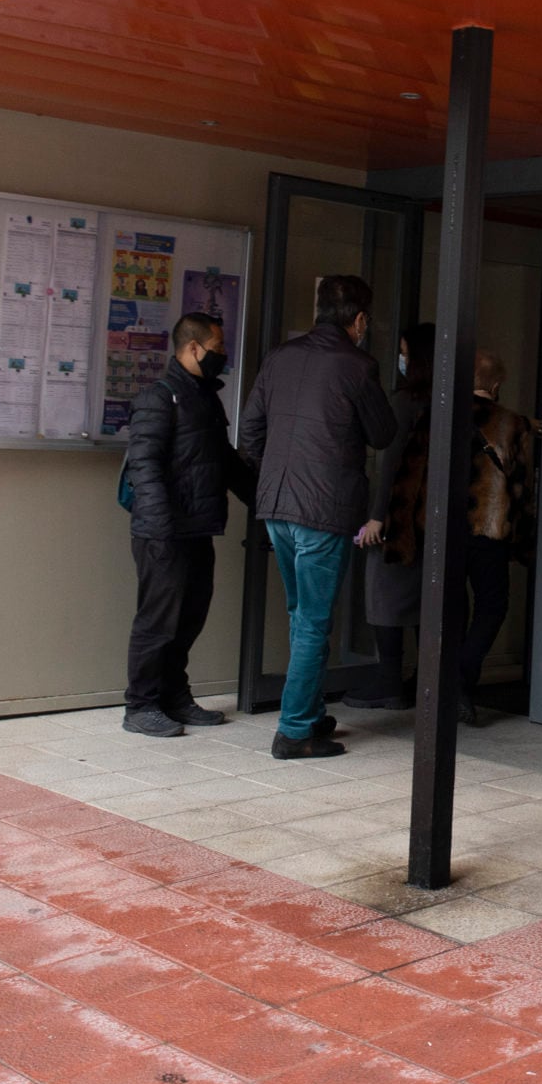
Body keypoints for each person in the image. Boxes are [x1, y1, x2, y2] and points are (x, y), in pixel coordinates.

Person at [239, 274, 397, 759]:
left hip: (276, 507)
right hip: (323, 510)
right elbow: (384, 433)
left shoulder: (280, 357)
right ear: (360, 319)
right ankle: (293, 731)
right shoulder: (358, 365)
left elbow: (250, 433)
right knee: (312, 621)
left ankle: (305, 710)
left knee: (300, 614)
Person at [120, 312, 255, 738]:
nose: (224, 357)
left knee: (189, 618)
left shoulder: (204, 397)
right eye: (218, 349)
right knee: (157, 621)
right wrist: (160, 528)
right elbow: (144, 466)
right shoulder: (159, 397)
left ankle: (175, 697)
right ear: (192, 348)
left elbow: (225, 461)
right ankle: (140, 706)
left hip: (198, 529)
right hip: (163, 533)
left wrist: (266, 501)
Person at [346, 323, 433, 711]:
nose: (399, 358)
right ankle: (425, 680)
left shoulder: (405, 401)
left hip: (400, 517)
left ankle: (389, 679)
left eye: (403, 351)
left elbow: (390, 465)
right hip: (433, 518)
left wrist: (376, 517)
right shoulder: (451, 402)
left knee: (384, 593)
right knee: (424, 601)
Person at [457, 351, 540, 724]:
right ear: (496, 384)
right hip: (489, 527)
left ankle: (440, 683)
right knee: (492, 605)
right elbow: (521, 486)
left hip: (445, 528)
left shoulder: (442, 415)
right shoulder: (511, 424)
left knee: (449, 606)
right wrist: (521, 537)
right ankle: (461, 681)